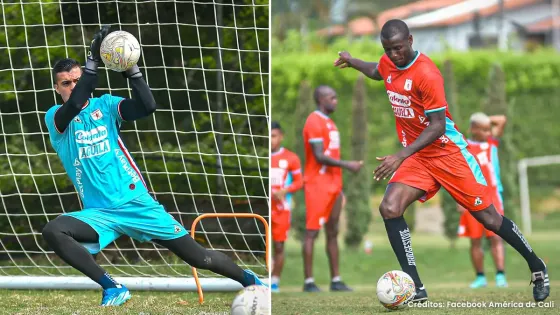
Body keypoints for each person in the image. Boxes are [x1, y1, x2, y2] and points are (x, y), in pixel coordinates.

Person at [42, 26, 264, 307]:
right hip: (99, 213)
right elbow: (74, 104)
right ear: (57, 88)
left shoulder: (106, 105)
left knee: (199, 257)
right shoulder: (55, 118)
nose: (73, 86)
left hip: (135, 201)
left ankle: (252, 282)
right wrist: (93, 60)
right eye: (66, 83)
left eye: (76, 79)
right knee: (54, 230)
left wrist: (131, 70)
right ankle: (112, 286)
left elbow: (147, 106)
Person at [333, 19, 549, 303]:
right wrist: (352, 60)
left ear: (410, 40)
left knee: (489, 219)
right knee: (389, 207)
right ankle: (416, 288)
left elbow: (436, 125)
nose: (394, 55)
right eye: (388, 49)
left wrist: (400, 155)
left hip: (448, 154)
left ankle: (537, 267)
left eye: (398, 48)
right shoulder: (388, 62)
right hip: (420, 157)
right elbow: (377, 70)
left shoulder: (427, 73)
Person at [301, 85, 363, 292]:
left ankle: (336, 280)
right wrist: (348, 165)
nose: (336, 100)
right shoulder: (313, 121)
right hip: (317, 184)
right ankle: (309, 282)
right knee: (311, 233)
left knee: (333, 231)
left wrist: (340, 186)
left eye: (336, 97)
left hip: (334, 185)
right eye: (331, 97)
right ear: (321, 99)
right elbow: (318, 156)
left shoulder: (330, 123)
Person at [457, 113, 508, 288]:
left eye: (489, 129)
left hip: (493, 196)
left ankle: (501, 275)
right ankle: (480, 277)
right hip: (471, 198)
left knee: (496, 237)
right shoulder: (464, 146)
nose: (488, 132)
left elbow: (501, 119)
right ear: (473, 129)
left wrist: (485, 120)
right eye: (484, 129)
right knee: (475, 239)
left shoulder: (491, 143)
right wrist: (459, 201)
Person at [270, 121, 304, 293]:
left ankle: (274, 282)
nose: (271, 140)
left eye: (274, 136)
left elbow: (300, 182)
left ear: (281, 136)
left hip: (282, 209)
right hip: (264, 208)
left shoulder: (291, 158)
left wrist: (285, 190)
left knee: (279, 246)